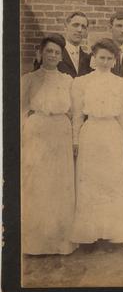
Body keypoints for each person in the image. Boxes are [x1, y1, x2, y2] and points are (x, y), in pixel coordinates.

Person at [70, 39, 123, 246]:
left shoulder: (121, 83)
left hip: (112, 133)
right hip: (91, 132)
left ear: (115, 60)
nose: (105, 61)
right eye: (102, 57)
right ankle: (90, 234)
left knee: (112, 180)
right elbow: (78, 114)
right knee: (90, 181)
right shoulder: (82, 82)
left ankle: (110, 233)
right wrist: (75, 140)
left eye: (109, 58)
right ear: (94, 58)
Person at [21, 34, 76, 255]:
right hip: (37, 132)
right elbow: (21, 110)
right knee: (37, 183)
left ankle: (60, 241)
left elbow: (73, 111)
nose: (52, 55)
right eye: (48, 51)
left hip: (60, 131)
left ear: (61, 56)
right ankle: (36, 243)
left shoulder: (67, 81)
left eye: (56, 52)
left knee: (59, 183)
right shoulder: (28, 79)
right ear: (40, 54)